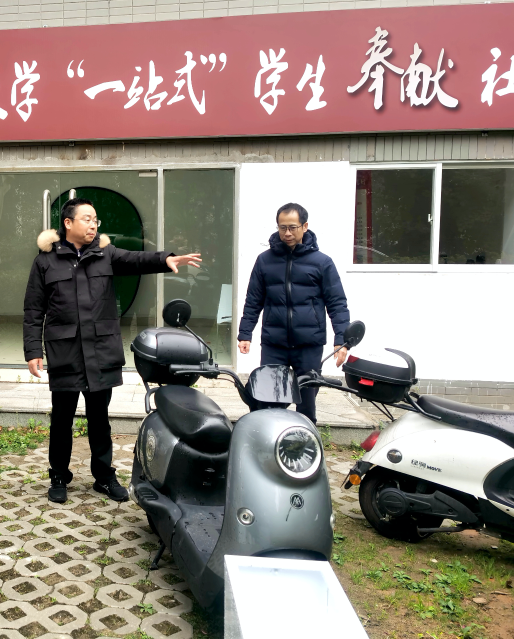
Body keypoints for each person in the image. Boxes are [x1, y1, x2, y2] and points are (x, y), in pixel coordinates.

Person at [24, 198, 201, 504]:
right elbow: (33, 309)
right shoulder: (45, 262)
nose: (93, 225)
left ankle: (104, 476)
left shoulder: (106, 254)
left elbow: (137, 259)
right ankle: (59, 476)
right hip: (65, 353)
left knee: (99, 419)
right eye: (87, 219)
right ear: (68, 223)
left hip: (100, 352)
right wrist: (32, 350)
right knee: (61, 420)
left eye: (96, 220)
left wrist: (167, 259)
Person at [237, 202, 349, 424]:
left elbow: (337, 303)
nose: (287, 233)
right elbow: (253, 300)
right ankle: (269, 438)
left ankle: (305, 440)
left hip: (309, 344)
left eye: (292, 227)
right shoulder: (264, 260)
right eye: (282, 227)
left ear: (305, 226)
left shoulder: (322, 262)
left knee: (306, 403)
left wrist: (342, 340)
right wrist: (245, 333)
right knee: (268, 400)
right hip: (274, 343)